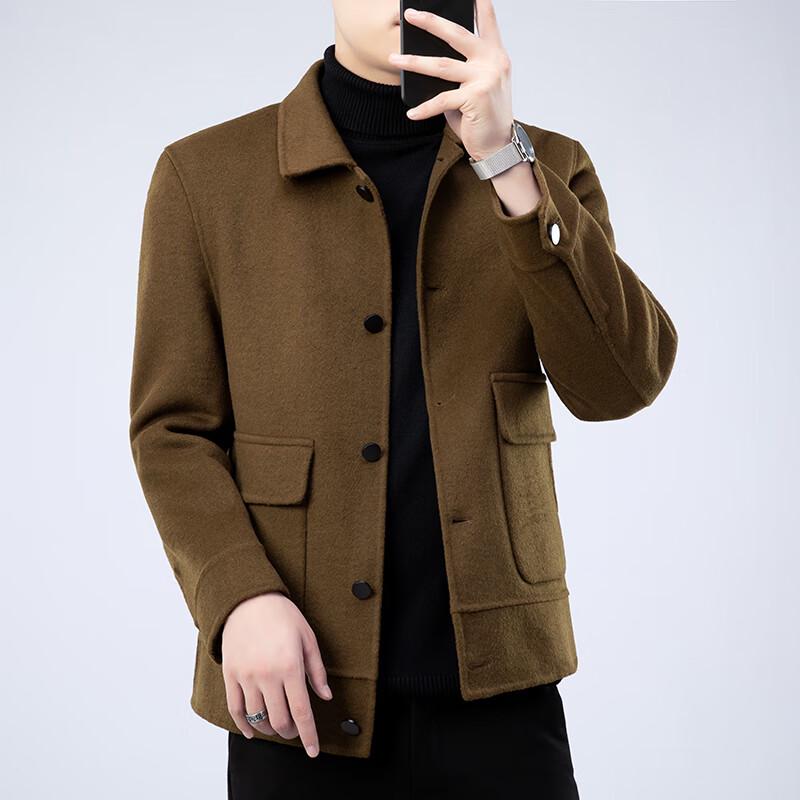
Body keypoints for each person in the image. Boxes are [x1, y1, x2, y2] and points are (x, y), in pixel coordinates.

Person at [129, 1, 678, 798]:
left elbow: (618, 385)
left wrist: (505, 163)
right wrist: (237, 595)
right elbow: (171, 429)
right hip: (297, 696)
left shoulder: (547, 167)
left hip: (502, 692)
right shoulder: (204, 176)